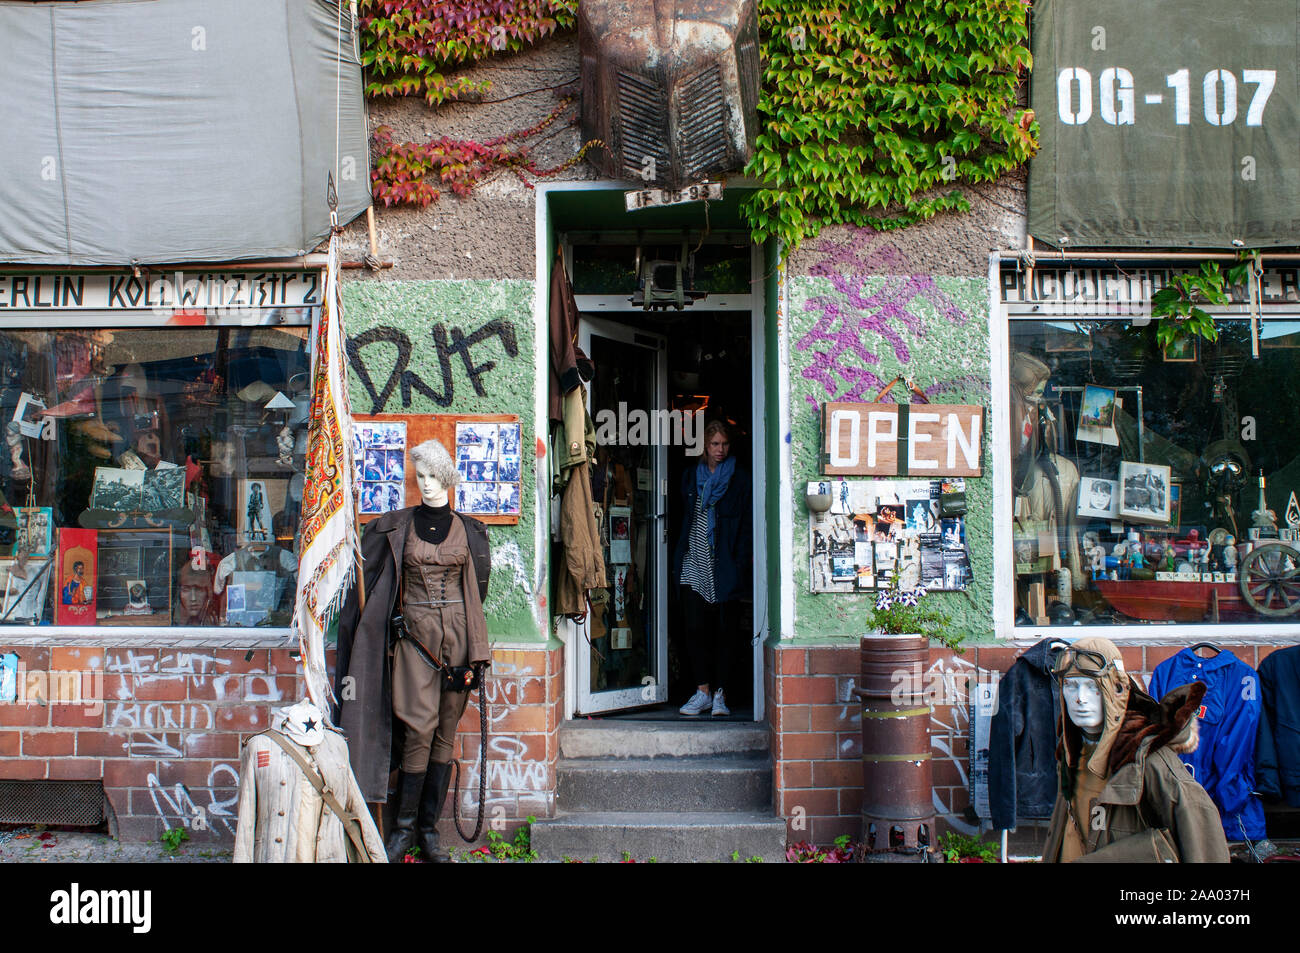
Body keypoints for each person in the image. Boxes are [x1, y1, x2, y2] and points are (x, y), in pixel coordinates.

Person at [335, 439, 491, 863]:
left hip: (457, 638)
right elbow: (373, 581)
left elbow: (476, 595)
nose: (424, 483)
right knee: (417, 730)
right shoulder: (396, 526)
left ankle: (428, 832)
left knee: (445, 732)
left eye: (432, 475)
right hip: (414, 640)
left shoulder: (471, 531)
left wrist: (477, 654)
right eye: (419, 475)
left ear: (447, 478)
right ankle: (402, 830)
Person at [1041, 637, 1229, 862]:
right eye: (1071, 686)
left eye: (1092, 686)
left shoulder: (1148, 761)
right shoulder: (1071, 755)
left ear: (1118, 690)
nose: (1080, 699)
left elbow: (1205, 845)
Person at [673, 421, 751, 717]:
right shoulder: (691, 476)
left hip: (724, 564)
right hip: (694, 558)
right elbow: (683, 518)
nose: (720, 450)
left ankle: (721, 694)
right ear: (705, 445)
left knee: (725, 631)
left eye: (725, 444)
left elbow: (745, 526)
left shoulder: (739, 479)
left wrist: (741, 563)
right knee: (694, 628)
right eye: (715, 444)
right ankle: (701, 691)